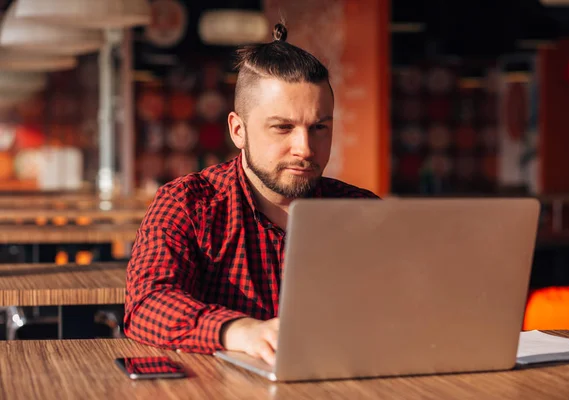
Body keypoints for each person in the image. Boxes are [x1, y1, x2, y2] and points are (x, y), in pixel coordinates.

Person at [124, 23, 379, 366]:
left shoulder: (362, 212)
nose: (305, 148)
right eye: (282, 127)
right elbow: (147, 304)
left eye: (319, 128)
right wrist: (241, 332)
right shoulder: (188, 204)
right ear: (238, 130)